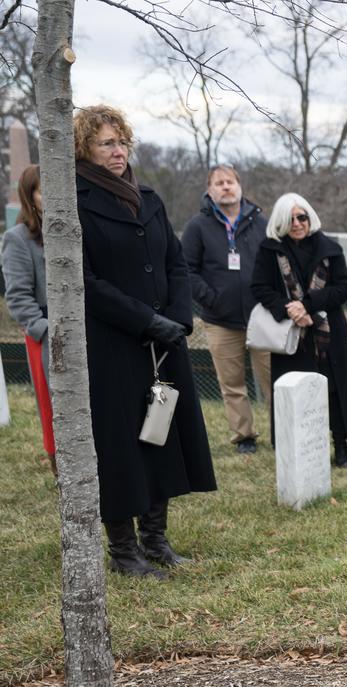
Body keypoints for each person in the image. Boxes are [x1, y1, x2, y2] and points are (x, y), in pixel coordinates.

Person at [73, 105, 216, 578]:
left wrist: (178, 318)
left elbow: (175, 262)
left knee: (161, 436)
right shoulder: (74, 201)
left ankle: (155, 539)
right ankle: (124, 552)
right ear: (84, 150)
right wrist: (145, 321)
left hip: (164, 343)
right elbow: (85, 281)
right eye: (105, 144)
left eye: (121, 142)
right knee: (120, 446)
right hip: (113, 345)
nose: (117, 152)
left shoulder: (148, 196)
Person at [251, 193, 347, 467]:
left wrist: (307, 306)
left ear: (309, 218)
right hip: (291, 335)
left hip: (329, 333)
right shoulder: (269, 250)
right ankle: (301, 449)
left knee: (336, 390)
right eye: (290, 218)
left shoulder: (329, 247)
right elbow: (260, 288)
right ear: (281, 221)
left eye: (301, 217)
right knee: (297, 391)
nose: (297, 223)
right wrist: (289, 309)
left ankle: (341, 446)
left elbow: (343, 288)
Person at [181, 164, 270, 454]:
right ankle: (244, 436)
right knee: (232, 383)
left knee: (273, 380)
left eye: (230, 181)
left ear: (240, 186)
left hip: (262, 317)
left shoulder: (260, 223)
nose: (225, 187)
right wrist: (211, 298)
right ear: (209, 190)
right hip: (220, 320)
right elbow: (186, 270)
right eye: (218, 183)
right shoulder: (198, 226)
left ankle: (283, 433)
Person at [2, 165, 55, 474]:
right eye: (41, 189)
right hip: (45, 334)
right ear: (30, 195)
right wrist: (44, 330)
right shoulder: (18, 239)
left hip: (88, 328)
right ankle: (61, 464)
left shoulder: (78, 230)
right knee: (52, 406)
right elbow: (18, 296)